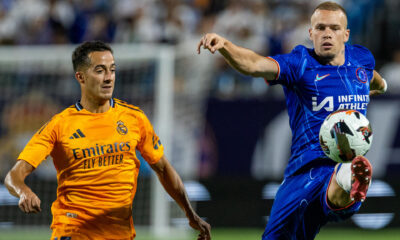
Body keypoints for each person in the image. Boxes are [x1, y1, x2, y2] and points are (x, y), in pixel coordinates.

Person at [197, 1, 386, 240]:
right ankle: (348, 179)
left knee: (341, 177)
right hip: (304, 172)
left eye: (334, 28)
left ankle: (349, 178)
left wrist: (381, 86)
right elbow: (255, 64)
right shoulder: (300, 64)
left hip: (339, 165)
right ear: (310, 33)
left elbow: (372, 78)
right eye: (320, 28)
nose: (327, 33)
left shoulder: (361, 59)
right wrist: (225, 45)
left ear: (346, 34)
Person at [5, 41, 211, 240]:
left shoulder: (133, 118)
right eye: (100, 70)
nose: (108, 77)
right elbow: (14, 176)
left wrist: (190, 214)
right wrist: (23, 192)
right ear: (81, 77)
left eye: (112, 70)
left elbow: (164, 168)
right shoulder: (59, 125)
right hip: (74, 233)